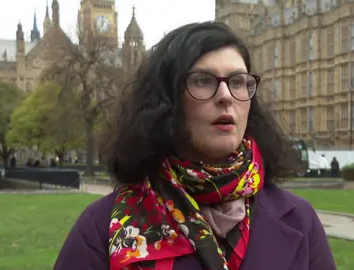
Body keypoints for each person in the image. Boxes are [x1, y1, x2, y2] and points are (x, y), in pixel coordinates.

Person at [54, 22, 336, 270]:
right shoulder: (99, 228)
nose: (226, 95)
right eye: (203, 81)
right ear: (166, 101)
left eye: (238, 81)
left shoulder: (300, 220)